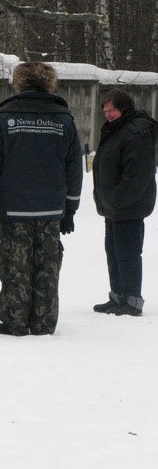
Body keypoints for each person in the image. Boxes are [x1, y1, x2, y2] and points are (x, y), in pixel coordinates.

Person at [0, 62, 82, 336]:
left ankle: (15, 321)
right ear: (50, 84)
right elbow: (73, 168)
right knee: (47, 267)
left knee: (16, 266)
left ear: (19, 84)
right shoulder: (64, 120)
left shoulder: (3, 120)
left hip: (14, 208)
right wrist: (70, 208)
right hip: (51, 209)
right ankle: (44, 322)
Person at [92, 89, 157, 316]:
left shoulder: (136, 132)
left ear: (125, 108)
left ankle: (131, 301)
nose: (108, 114)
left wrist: (118, 198)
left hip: (128, 206)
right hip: (114, 206)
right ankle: (118, 296)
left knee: (127, 254)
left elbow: (137, 175)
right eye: (106, 111)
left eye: (113, 110)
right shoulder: (115, 130)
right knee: (113, 251)